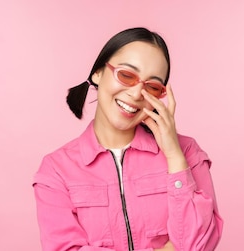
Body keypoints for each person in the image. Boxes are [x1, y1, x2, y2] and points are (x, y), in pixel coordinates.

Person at [32, 27, 223, 251]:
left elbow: (202, 241)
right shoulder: (55, 170)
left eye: (151, 86)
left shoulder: (187, 152)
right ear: (98, 73)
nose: (135, 94)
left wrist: (174, 156)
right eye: (126, 75)